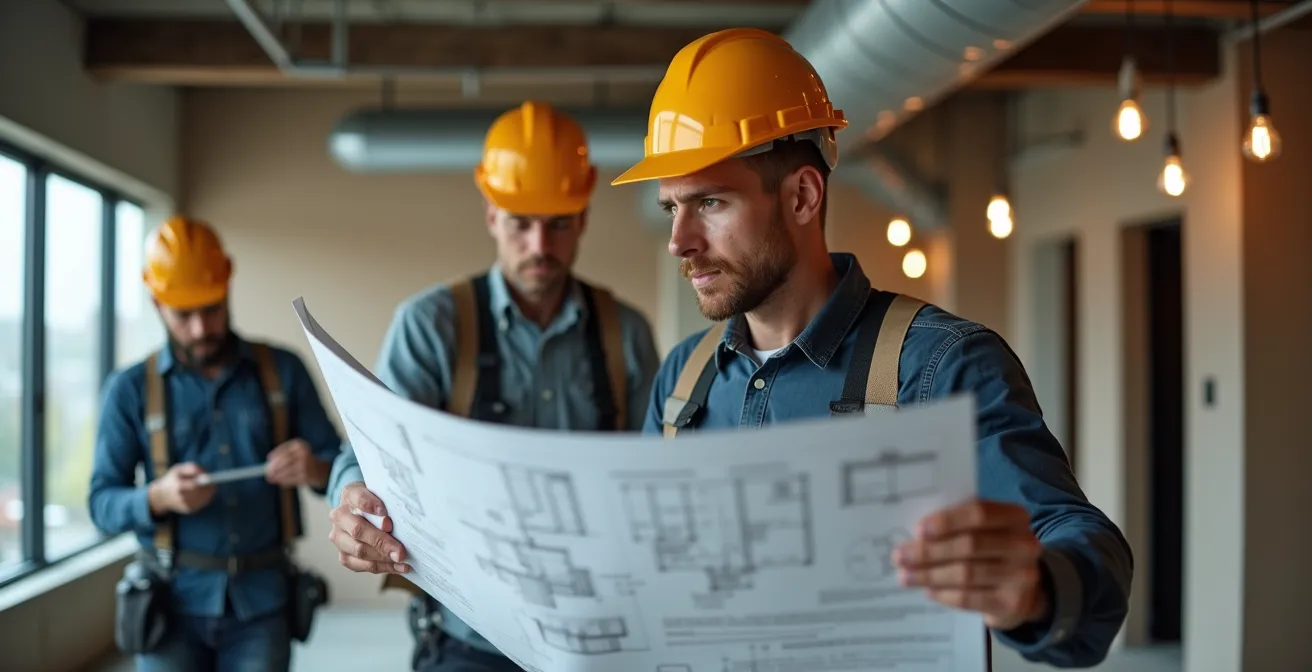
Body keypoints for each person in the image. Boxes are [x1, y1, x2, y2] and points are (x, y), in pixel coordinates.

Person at [609, 28, 1133, 668]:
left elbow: (1077, 538)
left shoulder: (940, 367)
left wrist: (1035, 588)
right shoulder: (682, 382)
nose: (680, 241)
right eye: (671, 208)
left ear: (803, 195)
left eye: (710, 202)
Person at [325, 100, 662, 671]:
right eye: (519, 223)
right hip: (469, 637)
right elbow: (371, 454)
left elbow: (652, 470)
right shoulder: (431, 326)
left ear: (583, 215)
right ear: (490, 214)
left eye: (557, 223)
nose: (539, 245)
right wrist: (352, 494)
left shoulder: (625, 334)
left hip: (598, 632)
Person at [88, 216, 342, 671]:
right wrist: (157, 497)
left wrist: (314, 468)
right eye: (183, 315)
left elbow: (339, 464)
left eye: (211, 308)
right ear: (156, 303)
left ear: (226, 288)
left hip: (263, 605)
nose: (201, 328)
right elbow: (101, 504)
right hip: (170, 606)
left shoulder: (284, 371)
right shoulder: (128, 390)